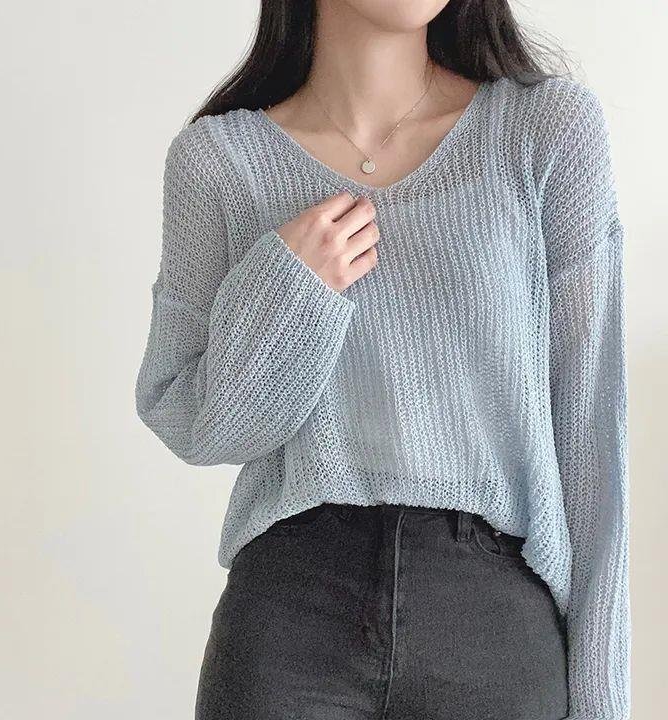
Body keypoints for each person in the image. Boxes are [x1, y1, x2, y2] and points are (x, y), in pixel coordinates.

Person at [134, 1, 630, 718]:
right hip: (289, 621)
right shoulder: (219, 163)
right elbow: (200, 425)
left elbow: (592, 445)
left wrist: (603, 702)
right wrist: (291, 287)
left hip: (495, 626)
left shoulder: (544, 130)